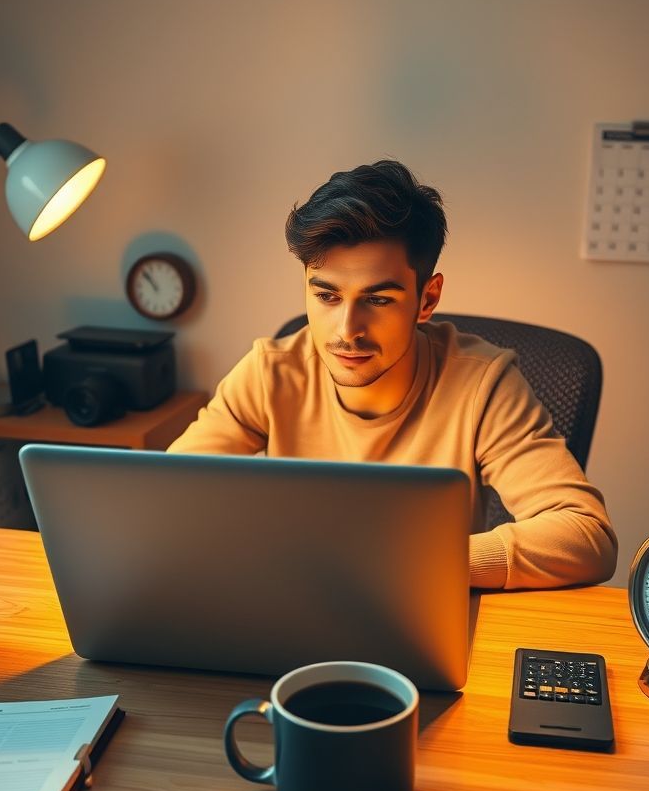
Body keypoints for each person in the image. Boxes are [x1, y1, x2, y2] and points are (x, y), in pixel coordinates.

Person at [168, 160, 617, 590]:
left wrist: (407, 563)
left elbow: (586, 537)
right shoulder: (270, 372)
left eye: (378, 300)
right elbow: (166, 498)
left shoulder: (483, 384)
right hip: (291, 600)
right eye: (326, 296)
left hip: (419, 606)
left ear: (427, 298)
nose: (347, 331)